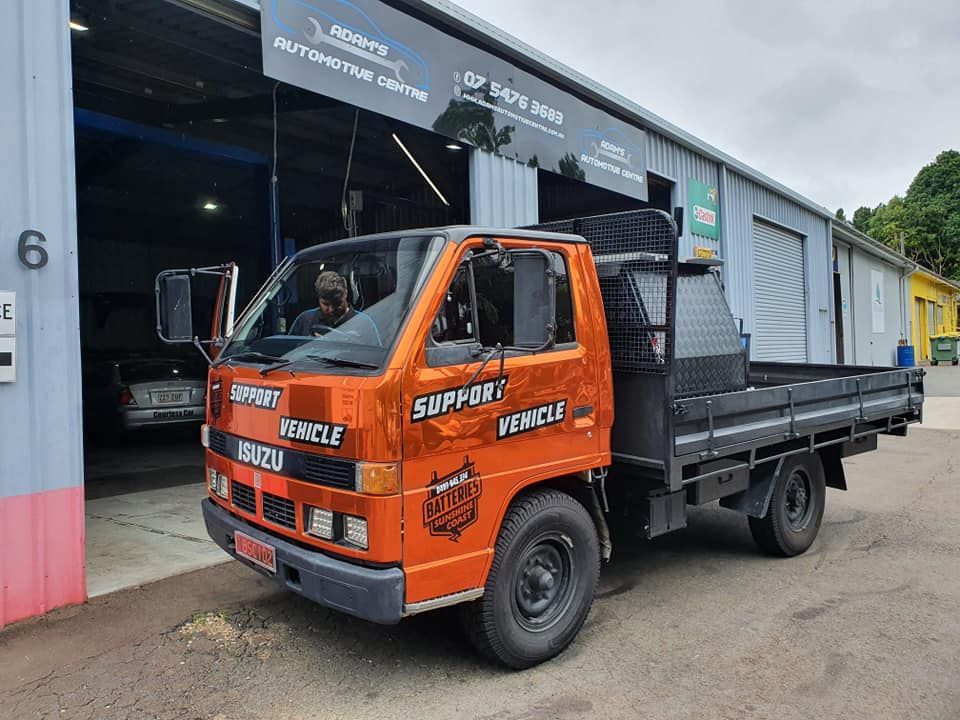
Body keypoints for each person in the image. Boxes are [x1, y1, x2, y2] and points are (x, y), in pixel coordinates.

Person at [289, 270, 382, 346]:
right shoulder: (305, 320)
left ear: (345, 294)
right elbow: (287, 354)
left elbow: (378, 359)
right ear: (318, 298)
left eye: (337, 304)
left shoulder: (363, 323)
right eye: (325, 304)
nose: (331, 309)